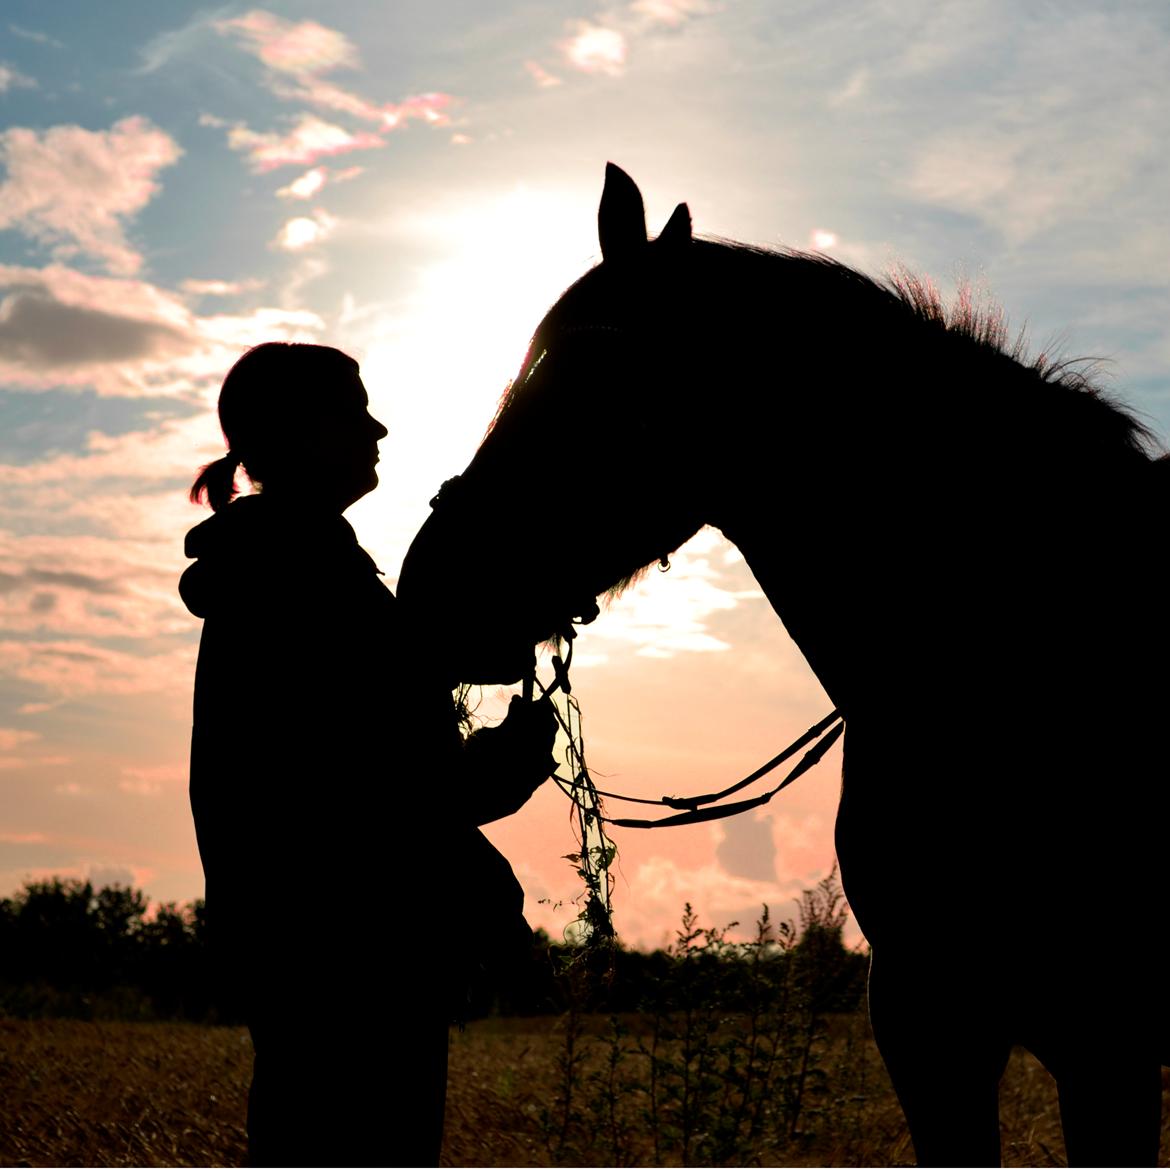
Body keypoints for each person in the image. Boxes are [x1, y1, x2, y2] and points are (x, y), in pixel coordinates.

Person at [179, 342, 556, 1168]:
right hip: (356, 954)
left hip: (312, 947)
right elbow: (379, 787)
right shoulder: (306, 575)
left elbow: (366, 703)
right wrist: (510, 764)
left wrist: (456, 657)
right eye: (354, 410)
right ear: (303, 434)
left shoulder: (292, 564)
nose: (378, 427)